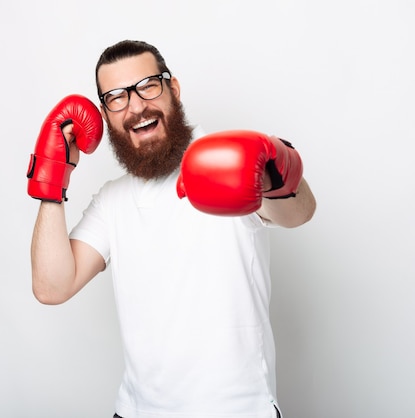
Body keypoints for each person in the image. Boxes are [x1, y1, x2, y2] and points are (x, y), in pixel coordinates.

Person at [27, 40, 316, 418]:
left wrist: (275, 168)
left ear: (172, 89)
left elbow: (301, 213)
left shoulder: (227, 163)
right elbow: (52, 287)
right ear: (105, 114)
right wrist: (53, 178)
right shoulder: (112, 201)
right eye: (116, 97)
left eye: (147, 85)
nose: (135, 106)